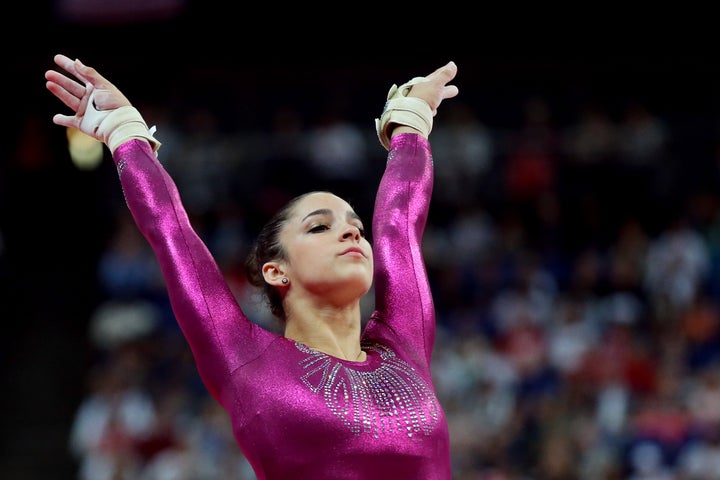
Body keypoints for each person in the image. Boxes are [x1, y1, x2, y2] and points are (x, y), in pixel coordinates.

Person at [45, 53, 459, 479]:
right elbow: (172, 233)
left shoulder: (401, 346)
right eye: (320, 227)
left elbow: (398, 227)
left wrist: (410, 121)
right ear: (276, 271)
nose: (353, 233)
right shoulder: (247, 358)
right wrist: (124, 134)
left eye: (356, 227)